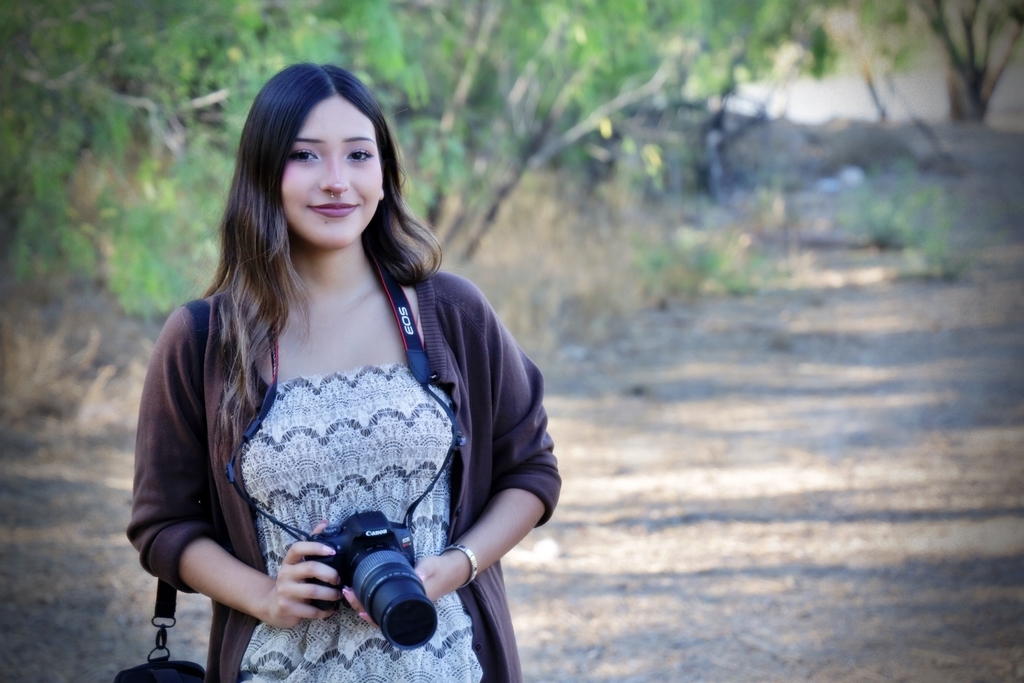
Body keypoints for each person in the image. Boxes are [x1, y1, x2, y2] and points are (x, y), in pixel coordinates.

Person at [128, 63, 560, 683]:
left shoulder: (450, 314)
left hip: (449, 666)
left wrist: (456, 565)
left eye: (359, 154)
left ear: (384, 175)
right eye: (306, 157)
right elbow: (162, 523)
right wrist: (264, 595)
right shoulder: (204, 340)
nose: (337, 182)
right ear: (263, 175)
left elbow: (531, 470)